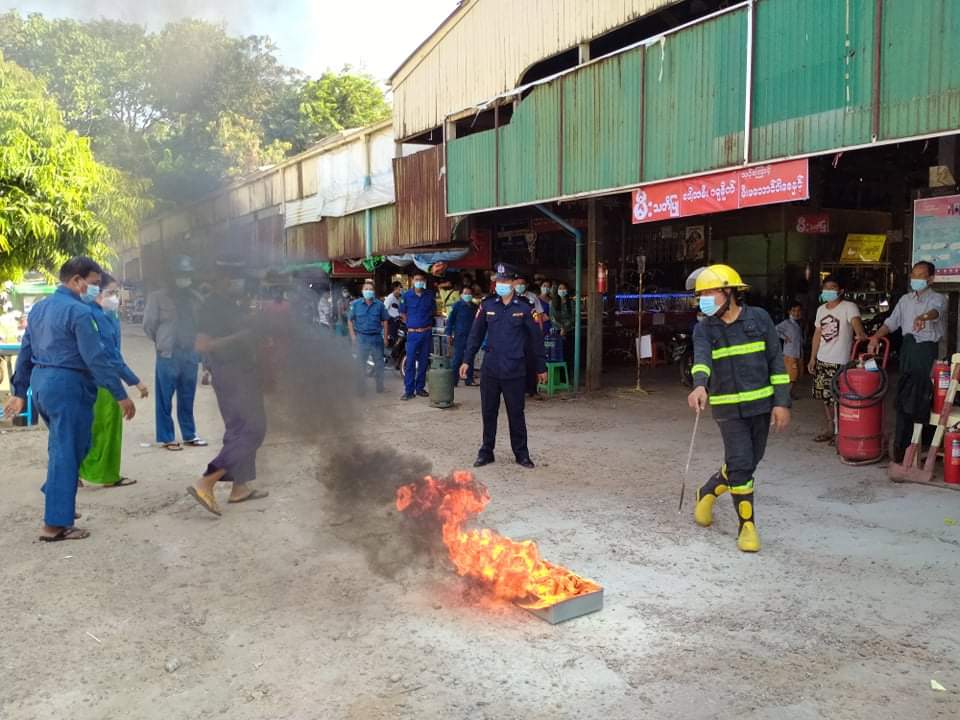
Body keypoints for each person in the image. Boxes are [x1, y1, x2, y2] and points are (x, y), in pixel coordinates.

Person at [5, 257, 136, 541]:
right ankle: (54, 524)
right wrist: (120, 394)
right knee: (68, 450)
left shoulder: (40, 308)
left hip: (43, 385)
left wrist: (20, 392)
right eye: (93, 283)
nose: (95, 289)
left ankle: (57, 494)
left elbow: (26, 351)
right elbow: (95, 358)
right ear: (77, 281)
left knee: (67, 447)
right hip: (68, 386)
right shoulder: (79, 312)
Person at [687, 264, 791, 553]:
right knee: (742, 463)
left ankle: (708, 491)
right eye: (701, 295)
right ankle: (747, 527)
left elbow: (776, 361)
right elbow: (702, 359)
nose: (704, 299)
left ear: (730, 291)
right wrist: (699, 385)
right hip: (727, 408)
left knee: (748, 461)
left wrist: (781, 402)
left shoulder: (759, 318)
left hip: (761, 405)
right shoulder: (704, 329)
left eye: (710, 292)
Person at [187, 269, 268, 516]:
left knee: (237, 429)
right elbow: (203, 345)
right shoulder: (211, 306)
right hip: (233, 374)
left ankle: (239, 487)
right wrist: (240, 336)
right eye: (234, 276)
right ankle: (206, 481)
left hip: (241, 371)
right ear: (221, 278)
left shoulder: (231, 303)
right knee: (253, 429)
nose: (238, 281)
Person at [461, 265, 547, 469]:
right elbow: (475, 335)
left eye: (505, 281)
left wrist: (541, 367)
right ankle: (486, 452)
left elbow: (536, 339)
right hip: (491, 368)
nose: (501, 285)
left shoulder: (525, 307)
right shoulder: (487, 305)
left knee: (516, 413)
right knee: (488, 412)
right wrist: (467, 360)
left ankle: (521, 454)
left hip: (514, 369)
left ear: (513, 283)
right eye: (498, 281)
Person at [868, 261, 946, 462]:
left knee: (923, 396)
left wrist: (923, 317)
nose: (916, 279)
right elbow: (891, 323)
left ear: (930, 279)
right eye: (913, 274)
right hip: (908, 350)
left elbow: (935, 313)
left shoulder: (938, 298)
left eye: (921, 275)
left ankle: (924, 443)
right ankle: (902, 445)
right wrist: (876, 336)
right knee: (905, 396)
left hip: (925, 351)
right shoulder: (905, 300)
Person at [79, 272, 149, 487]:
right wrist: (135, 381)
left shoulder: (93, 314)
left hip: (86, 380)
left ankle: (77, 471)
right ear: (97, 293)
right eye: (111, 293)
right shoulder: (98, 317)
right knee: (108, 429)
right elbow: (111, 356)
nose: (115, 298)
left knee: (87, 427)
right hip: (104, 381)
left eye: (116, 293)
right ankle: (107, 475)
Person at [143, 255, 207, 451]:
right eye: (180, 274)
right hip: (168, 355)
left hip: (190, 355)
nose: (183, 278)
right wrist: (162, 342)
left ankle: (189, 434)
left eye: (187, 274)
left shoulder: (196, 298)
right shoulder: (157, 298)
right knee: (164, 398)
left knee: (187, 397)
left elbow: (202, 325)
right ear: (172, 276)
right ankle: (167, 437)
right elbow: (149, 325)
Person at [808, 276, 866, 443]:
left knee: (840, 398)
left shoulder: (849, 307)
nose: (828, 291)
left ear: (841, 291)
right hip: (822, 359)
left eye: (832, 288)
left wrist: (860, 334)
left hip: (840, 361)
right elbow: (817, 334)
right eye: (826, 288)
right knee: (825, 397)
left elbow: (856, 323)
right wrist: (812, 358)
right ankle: (830, 429)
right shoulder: (821, 310)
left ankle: (841, 432)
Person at [348, 280, 390, 394]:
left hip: (376, 338)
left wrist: (385, 337)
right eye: (366, 289)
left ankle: (380, 387)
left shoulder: (380, 305)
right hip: (361, 338)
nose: (368, 291)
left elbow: (385, 321)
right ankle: (360, 389)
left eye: (370, 289)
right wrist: (353, 336)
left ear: (374, 291)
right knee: (360, 364)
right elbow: (350, 320)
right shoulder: (356, 305)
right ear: (362, 291)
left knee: (379, 364)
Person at [400, 272, 435, 400]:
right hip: (413, 334)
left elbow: (433, 311)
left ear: (424, 281)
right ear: (412, 280)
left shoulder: (429, 295)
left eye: (421, 279)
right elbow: (402, 313)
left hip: (426, 333)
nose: (419, 281)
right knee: (410, 362)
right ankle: (409, 391)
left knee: (424, 362)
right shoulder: (406, 295)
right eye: (416, 279)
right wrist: (411, 325)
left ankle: (420, 388)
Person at [514, 272, 545, 398]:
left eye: (522, 283)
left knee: (531, 361)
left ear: (526, 285)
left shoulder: (532, 297)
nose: (520, 286)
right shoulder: (509, 297)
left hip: (529, 334)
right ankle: (518, 390)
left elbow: (539, 315)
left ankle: (532, 390)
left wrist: (540, 331)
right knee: (516, 363)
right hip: (514, 335)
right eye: (517, 283)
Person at [447, 286, 477, 387]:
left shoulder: (474, 307)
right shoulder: (457, 306)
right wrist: (449, 334)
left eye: (469, 293)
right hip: (460, 336)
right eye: (465, 293)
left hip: (471, 335)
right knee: (457, 358)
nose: (467, 295)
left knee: (470, 357)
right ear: (461, 295)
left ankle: (469, 379)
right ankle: (453, 380)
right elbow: (450, 321)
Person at [776, 302, 804, 400]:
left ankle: (790, 393)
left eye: (798, 311)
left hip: (798, 353)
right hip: (790, 354)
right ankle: (786, 396)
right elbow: (775, 329)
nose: (796, 313)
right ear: (789, 312)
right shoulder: (786, 323)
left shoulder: (798, 323)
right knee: (792, 376)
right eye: (794, 311)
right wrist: (784, 337)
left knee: (797, 375)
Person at [551, 282, 576, 365]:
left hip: (569, 331)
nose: (562, 290)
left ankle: (568, 371)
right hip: (557, 331)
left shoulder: (572, 303)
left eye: (564, 288)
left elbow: (573, 317)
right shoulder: (552, 302)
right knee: (557, 353)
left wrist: (565, 328)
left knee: (568, 353)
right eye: (560, 288)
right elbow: (552, 318)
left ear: (567, 290)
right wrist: (561, 327)